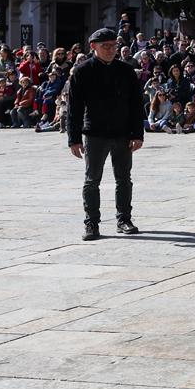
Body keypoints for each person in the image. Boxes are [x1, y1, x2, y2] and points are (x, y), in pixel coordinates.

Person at [66, 27, 145, 240]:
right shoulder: (82, 71)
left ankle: (124, 219)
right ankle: (91, 223)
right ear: (93, 47)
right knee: (92, 180)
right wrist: (73, 138)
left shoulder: (126, 70)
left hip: (122, 133)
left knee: (124, 179)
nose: (111, 50)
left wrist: (138, 134)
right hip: (95, 133)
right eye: (105, 46)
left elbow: (136, 104)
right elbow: (74, 108)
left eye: (113, 46)